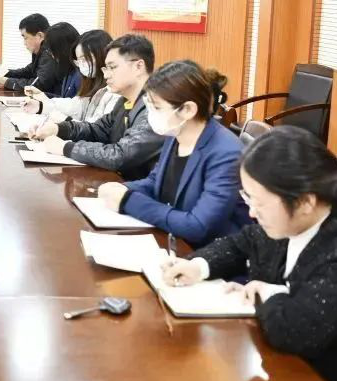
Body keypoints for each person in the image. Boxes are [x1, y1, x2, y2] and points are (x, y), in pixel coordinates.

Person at [161, 126, 337, 381]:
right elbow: (245, 242)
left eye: (259, 203)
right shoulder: (299, 215)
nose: (251, 213)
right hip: (297, 368)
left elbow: (293, 331)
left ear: (305, 202)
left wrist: (266, 294)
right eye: (247, 198)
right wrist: (198, 265)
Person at [94, 60, 250, 247]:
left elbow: (198, 226)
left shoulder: (226, 153)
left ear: (188, 110)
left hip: (207, 254)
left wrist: (128, 201)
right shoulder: (175, 133)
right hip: (174, 240)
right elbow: (155, 182)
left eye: (157, 108)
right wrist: (122, 189)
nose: (151, 114)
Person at [31, 34, 163, 180]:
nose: (106, 75)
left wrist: (65, 148)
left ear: (138, 66)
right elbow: (97, 130)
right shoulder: (125, 102)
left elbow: (120, 155)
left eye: (112, 67)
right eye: (106, 68)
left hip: (134, 187)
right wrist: (58, 129)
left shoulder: (155, 107)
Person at [22, 29, 119, 123]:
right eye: (79, 61)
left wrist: (61, 120)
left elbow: (94, 129)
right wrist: (41, 106)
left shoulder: (114, 93)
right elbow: (76, 106)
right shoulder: (91, 83)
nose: (81, 65)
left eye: (84, 59)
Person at [0, 13, 59, 93]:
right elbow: (28, 72)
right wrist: (5, 73)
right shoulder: (42, 51)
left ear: (40, 36)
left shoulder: (49, 53)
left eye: (26, 38)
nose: (24, 43)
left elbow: (39, 85)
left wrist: (7, 82)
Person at [22, 22, 81, 99]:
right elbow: (63, 98)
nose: (52, 56)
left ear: (62, 50)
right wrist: (42, 94)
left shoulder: (79, 74)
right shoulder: (68, 68)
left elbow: (73, 104)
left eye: (52, 51)